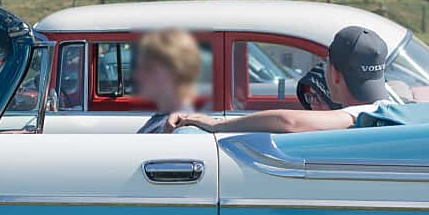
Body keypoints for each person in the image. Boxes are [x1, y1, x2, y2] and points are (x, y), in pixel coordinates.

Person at [169, 26, 405, 135]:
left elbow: (288, 121)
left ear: (334, 72)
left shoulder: (366, 116)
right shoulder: (401, 110)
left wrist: (216, 125)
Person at [133, 28, 203, 133]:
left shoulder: (183, 130)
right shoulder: (161, 119)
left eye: (148, 68)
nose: (138, 75)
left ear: (175, 70)